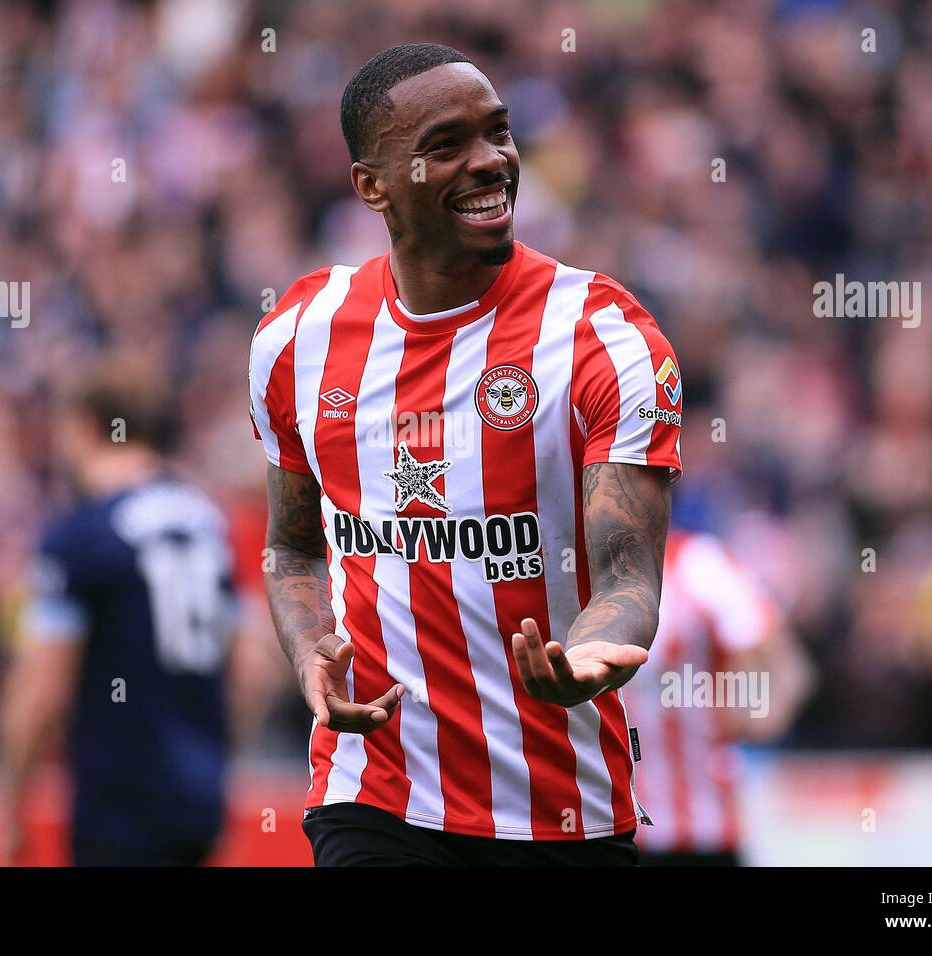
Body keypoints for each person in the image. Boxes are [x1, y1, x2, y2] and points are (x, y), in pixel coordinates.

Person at [249, 44, 683, 865]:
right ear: (371, 185)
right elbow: (294, 543)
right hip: (372, 795)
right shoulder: (296, 339)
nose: (491, 162)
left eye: (499, 133)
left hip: (563, 812)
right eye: (447, 145)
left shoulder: (604, 337)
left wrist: (589, 654)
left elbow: (629, 576)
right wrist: (311, 656)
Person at [0, 362, 236, 865]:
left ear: (85, 425)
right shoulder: (208, 528)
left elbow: (43, 691)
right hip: (199, 800)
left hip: (119, 808)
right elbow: (245, 664)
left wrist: (10, 812)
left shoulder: (83, 536)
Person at [622, 529, 813, 866]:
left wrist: (745, 720)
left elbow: (790, 673)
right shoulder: (584, 565)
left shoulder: (703, 567)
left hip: (702, 835)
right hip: (620, 831)